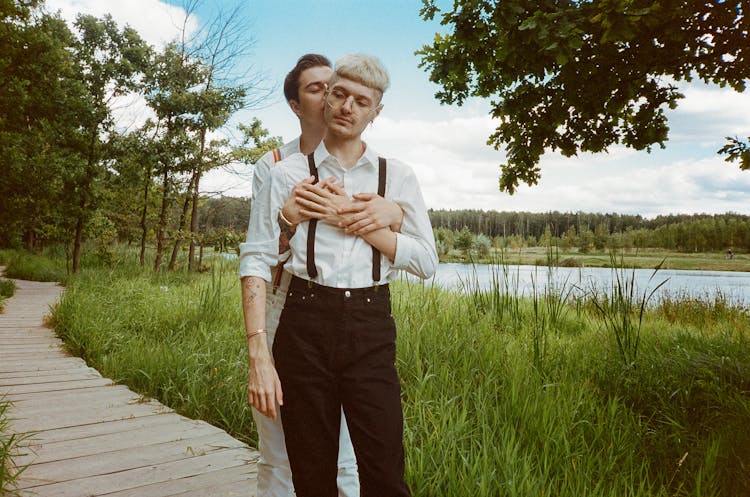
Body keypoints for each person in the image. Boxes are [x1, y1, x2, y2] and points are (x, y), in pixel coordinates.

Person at [240, 54, 437, 497]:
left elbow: (427, 261)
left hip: (370, 322)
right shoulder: (286, 174)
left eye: (361, 101)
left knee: (384, 472)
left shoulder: (396, 177)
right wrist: (258, 353)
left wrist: (369, 223)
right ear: (326, 99)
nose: (348, 106)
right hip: (303, 320)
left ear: (375, 112)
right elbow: (255, 257)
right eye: (340, 94)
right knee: (312, 475)